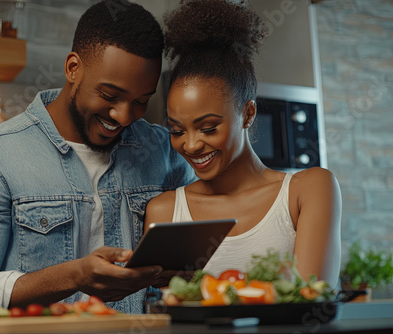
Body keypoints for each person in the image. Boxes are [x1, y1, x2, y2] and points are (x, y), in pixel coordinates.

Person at [0, 0, 196, 318]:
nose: (124, 116)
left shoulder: (165, 151)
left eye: (141, 101)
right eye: (109, 96)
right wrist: (73, 277)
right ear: (73, 68)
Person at [145, 0, 342, 288]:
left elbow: (310, 299)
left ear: (248, 113)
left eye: (208, 128)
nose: (190, 145)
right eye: (176, 130)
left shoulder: (307, 190)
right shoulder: (165, 212)